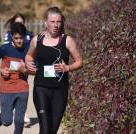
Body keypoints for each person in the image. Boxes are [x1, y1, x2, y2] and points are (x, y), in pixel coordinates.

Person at [25, 6, 82, 134]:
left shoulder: (67, 41)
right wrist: (28, 63)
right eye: (52, 21)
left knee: (52, 130)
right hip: (41, 88)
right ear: (46, 22)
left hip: (60, 91)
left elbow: (79, 62)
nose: (56, 25)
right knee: (45, 129)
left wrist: (68, 67)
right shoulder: (37, 40)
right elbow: (29, 56)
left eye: (58, 21)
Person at [0, 22, 29, 134]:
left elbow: (34, 68)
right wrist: (1, 70)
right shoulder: (4, 48)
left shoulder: (29, 49)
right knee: (7, 121)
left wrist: (25, 70)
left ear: (24, 36)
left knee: (19, 121)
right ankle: (3, 116)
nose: (19, 41)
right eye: (16, 38)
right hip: (6, 88)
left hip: (22, 88)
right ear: (12, 36)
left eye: (21, 38)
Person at [3, 12, 33, 123]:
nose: (20, 24)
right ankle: (8, 110)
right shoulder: (8, 35)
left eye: (22, 22)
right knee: (14, 88)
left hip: (24, 64)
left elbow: (32, 49)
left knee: (23, 88)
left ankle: (22, 112)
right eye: (17, 22)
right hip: (12, 65)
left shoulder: (29, 34)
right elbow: (5, 50)